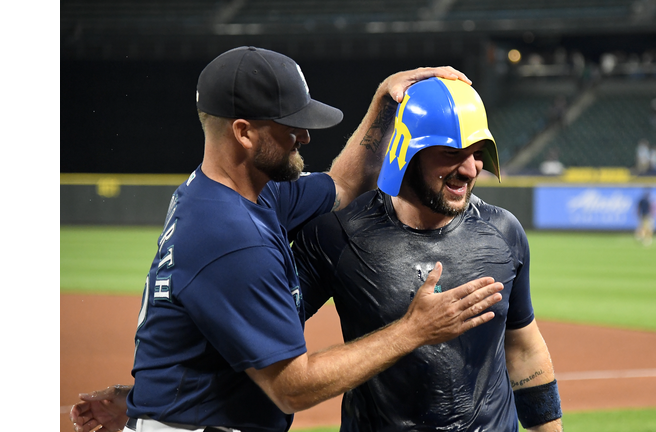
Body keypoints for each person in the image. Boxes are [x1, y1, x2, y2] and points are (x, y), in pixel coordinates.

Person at [69, 46, 504, 432]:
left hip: (180, 416)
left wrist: (383, 102)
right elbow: (291, 388)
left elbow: (343, 183)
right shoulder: (231, 238)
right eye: (290, 126)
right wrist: (413, 329)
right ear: (243, 132)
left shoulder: (241, 193)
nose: (306, 136)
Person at [293, 77, 562, 431]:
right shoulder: (337, 236)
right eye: (451, 154)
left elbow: (524, 349)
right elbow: (269, 346)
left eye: (477, 154)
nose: (469, 170)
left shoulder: (504, 232)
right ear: (408, 152)